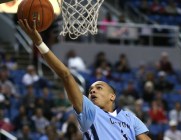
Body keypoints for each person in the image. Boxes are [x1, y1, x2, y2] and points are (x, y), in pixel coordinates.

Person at [18, 19, 150, 140]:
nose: (92, 91)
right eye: (90, 89)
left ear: (112, 96)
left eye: (99, 88)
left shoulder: (130, 118)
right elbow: (65, 75)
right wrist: (39, 43)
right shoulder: (90, 112)